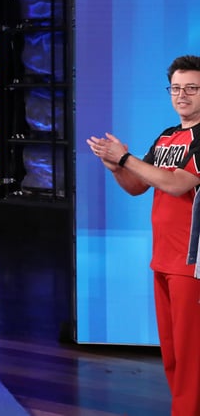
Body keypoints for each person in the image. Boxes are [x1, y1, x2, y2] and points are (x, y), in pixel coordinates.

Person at [86, 55, 200, 416]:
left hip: (192, 261)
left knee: (190, 352)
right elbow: (137, 185)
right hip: (163, 258)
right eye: (177, 88)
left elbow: (175, 182)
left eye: (192, 88)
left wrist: (126, 158)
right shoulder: (167, 136)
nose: (182, 95)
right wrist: (115, 166)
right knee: (171, 350)